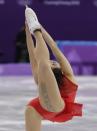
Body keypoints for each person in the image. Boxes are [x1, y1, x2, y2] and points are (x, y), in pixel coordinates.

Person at [25, 6, 83, 131]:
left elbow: (54, 48)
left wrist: (38, 28)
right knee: (30, 109)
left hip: (60, 107)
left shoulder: (67, 75)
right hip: (43, 106)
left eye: (54, 63)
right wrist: (27, 31)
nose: (53, 61)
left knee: (43, 66)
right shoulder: (40, 76)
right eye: (53, 62)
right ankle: (35, 30)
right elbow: (32, 55)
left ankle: (35, 30)